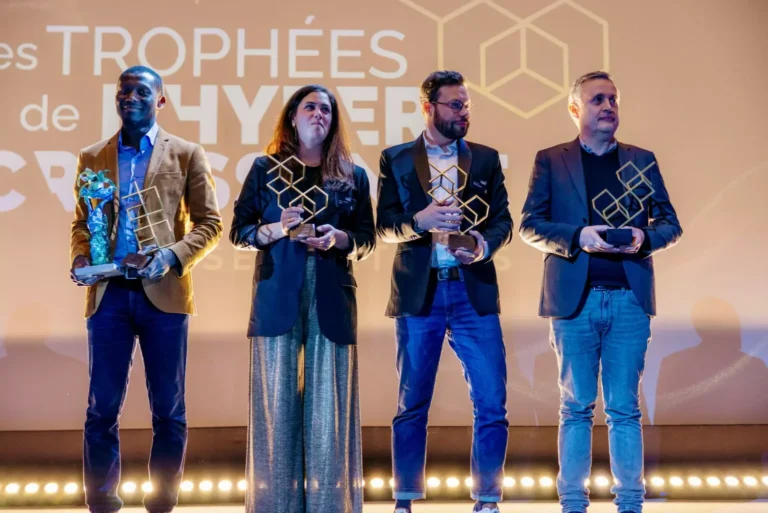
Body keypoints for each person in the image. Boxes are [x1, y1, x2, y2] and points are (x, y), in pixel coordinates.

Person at [519, 71, 683, 513]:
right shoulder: (551, 160)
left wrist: (643, 238)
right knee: (575, 406)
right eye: (597, 99)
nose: (608, 106)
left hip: (629, 298)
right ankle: (573, 503)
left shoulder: (641, 159)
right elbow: (530, 226)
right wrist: (579, 236)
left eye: (613, 99)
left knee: (624, 408)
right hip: (575, 301)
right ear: (575, 109)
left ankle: (630, 504)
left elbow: (670, 225)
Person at [69, 65, 223, 513]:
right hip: (109, 293)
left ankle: (162, 499)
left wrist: (168, 256)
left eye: (141, 91)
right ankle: (101, 499)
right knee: (101, 408)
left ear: (160, 100)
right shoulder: (92, 155)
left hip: (164, 293)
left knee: (169, 409)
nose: (130, 97)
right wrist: (81, 256)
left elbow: (210, 224)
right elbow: (83, 223)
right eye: (123, 91)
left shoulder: (187, 153)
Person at [230, 84, 375, 513]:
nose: (318, 114)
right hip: (277, 293)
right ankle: (275, 505)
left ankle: (331, 505)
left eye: (326, 109)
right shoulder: (264, 168)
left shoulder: (352, 174)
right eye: (310, 107)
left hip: (331, 293)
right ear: (292, 117)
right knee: (275, 409)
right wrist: (277, 228)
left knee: (329, 411)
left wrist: (339, 238)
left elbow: (367, 239)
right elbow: (239, 232)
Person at [376, 70, 513, 513]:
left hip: (473, 292)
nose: (464, 113)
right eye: (455, 105)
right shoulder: (396, 159)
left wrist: (482, 244)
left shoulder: (485, 159)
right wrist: (421, 221)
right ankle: (405, 500)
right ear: (428, 107)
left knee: (491, 401)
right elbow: (384, 226)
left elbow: (503, 222)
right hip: (421, 293)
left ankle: (487, 499)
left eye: (467, 105)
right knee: (412, 402)